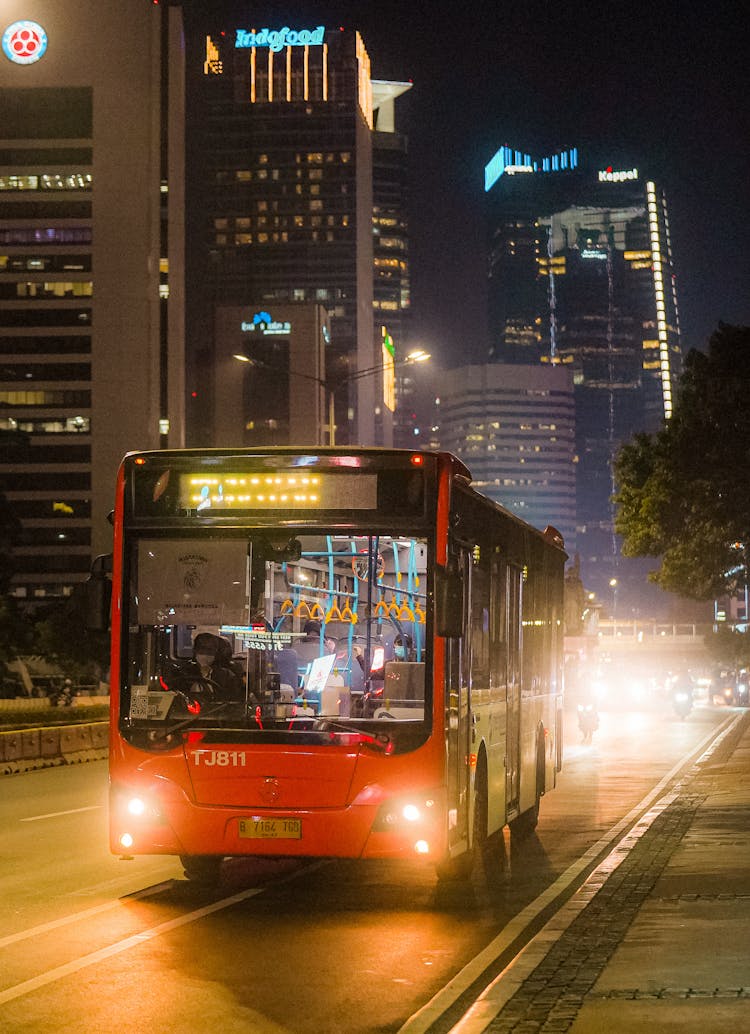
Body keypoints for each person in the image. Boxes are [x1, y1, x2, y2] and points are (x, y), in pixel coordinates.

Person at [181, 632, 243, 701]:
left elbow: (235, 701)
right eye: (201, 649)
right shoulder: (184, 673)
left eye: (209, 650)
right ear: (195, 651)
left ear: (216, 653)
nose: (205, 654)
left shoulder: (227, 676)